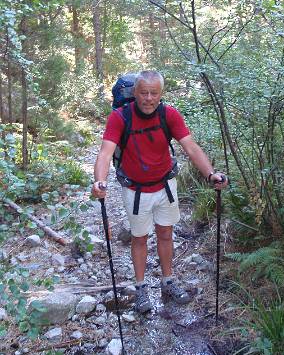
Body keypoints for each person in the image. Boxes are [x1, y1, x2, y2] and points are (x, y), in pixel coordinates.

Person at [92, 70, 228, 313]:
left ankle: (168, 281)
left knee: (166, 233)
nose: (148, 98)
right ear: (135, 93)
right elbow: (105, 152)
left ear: (160, 94)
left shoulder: (169, 114)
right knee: (140, 237)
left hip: (165, 185)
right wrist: (99, 182)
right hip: (135, 190)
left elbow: (191, 148)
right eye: (143, 93)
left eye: (154, 93)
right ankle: (141, 289)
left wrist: (210, 174)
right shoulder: (120, 117)